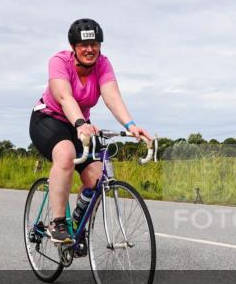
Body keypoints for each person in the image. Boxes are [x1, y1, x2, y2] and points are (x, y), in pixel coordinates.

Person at [29, 19, 153, 243]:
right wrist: (79, 123)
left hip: (80, 126)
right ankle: (57, 223)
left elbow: (112, 97)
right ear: (74, 48)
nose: (89, 49)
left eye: (94, 44)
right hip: (49, 119)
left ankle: (77, 222)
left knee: (97, 177)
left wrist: (131, 125)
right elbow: (64, 97)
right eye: (83, 45)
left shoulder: (103, 64)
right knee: (65, 155)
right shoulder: (58, 61)